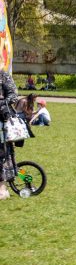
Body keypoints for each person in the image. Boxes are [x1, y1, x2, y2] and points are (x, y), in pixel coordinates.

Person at [0, 70, 20, 200]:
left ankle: (2, 188)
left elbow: (13, 95)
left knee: (2, 154)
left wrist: (1, 103)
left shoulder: (3, 75)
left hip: (1, 119)